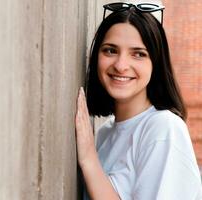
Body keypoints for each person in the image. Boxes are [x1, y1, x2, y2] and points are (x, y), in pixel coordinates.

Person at [75, 2, 202, 200]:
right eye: (110, 50)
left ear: (156, 63)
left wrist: (89, 158)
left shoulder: (164, 129)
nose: (121, 65)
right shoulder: (104, 134)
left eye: (138, 54)